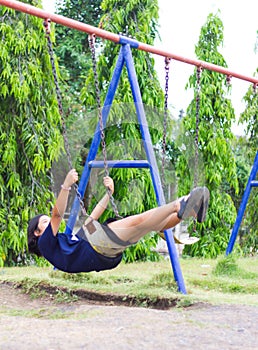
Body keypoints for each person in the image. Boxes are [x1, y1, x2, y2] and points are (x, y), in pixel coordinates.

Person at [27, 169, 210, 273]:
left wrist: (108, 195)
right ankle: (180, 204)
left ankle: (189, 212)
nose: (49, 223)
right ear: (37, 232)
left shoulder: (65, 245)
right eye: (43, 222)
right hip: (97, 247)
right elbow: (57, 215)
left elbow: (92, 219)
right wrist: (65, 185)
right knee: (141, 220)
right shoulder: (45, 243)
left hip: (104, 255)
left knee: (148, 225)